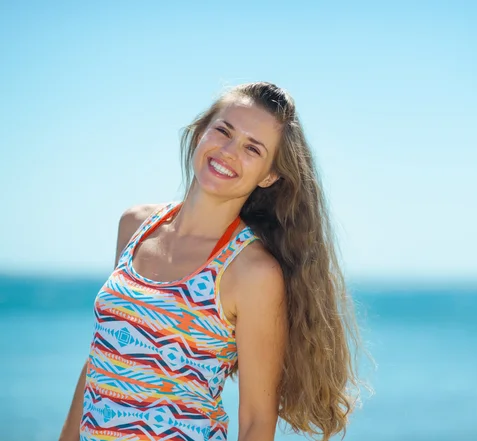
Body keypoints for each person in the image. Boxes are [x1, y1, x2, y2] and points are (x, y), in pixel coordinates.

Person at [59, 81, 364, 441]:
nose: (229, 152)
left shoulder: (251, 273)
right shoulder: (134, 226)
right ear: (202, 131)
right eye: (224, 130)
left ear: (269, 175)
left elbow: (255, 422)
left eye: (253, 148)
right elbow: (102, 358)